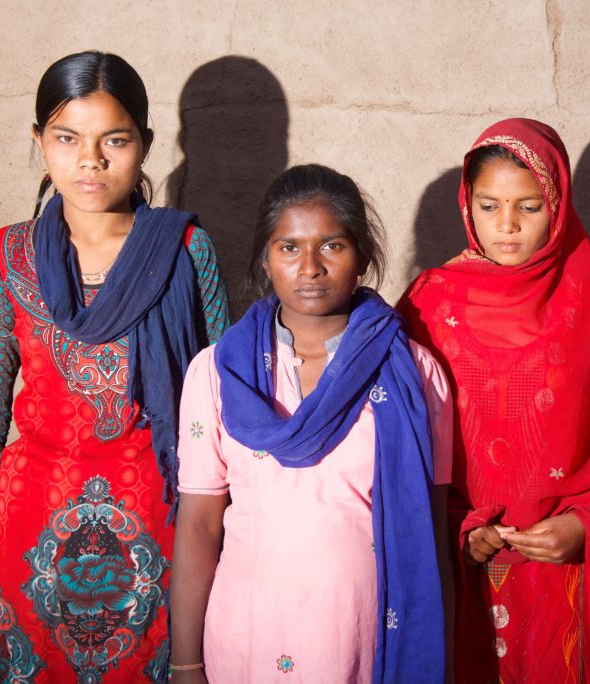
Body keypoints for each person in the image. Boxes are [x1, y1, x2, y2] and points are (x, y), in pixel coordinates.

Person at [0, 51, 229, 681]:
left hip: (161, 544)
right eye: (66, 138)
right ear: (39, 140)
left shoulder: (184, 251)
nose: (90, 160)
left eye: (114, 140)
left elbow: (223, 408)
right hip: (29, 543)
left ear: (145, 145)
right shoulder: (5, 256)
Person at [169, 164, 452, 683]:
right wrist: (186, 663)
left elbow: (430, 530)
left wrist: (442, 657)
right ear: (266, 258)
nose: (310, 267)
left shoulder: (416, 373)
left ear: (362, 256)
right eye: (289, 247)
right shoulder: (217, 372)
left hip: (363, 639)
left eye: (332, 246)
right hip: (247, 635)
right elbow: (199, 523)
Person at [398, 118, 590, 683]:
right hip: (460, 573)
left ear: (559, 206)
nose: (507, 226)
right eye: (489, 206)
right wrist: (457, 530)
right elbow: (398, 448)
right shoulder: (427, 306)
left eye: (529, 207)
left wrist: (586, 527)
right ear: (467, 206)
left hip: (559, 579)